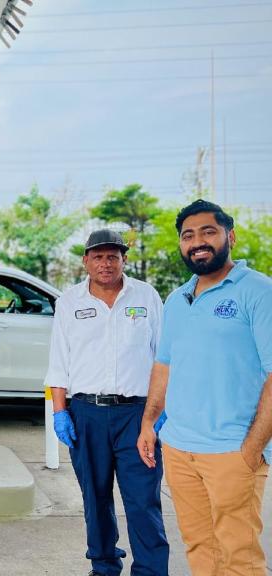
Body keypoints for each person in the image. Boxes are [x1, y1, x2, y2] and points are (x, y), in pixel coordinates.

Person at [137, 199, 272, 576]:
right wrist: (150, 424)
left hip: (232, 452)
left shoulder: (259, 292)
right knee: (200, 549)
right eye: (188, 235)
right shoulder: (178, 299)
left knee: (239, 557)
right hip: (180, 450)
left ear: (230, 236)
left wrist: (252, 449)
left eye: (208, 232)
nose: (198, 241)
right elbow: (164, 366)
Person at [45, 229, 169, 576]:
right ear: (86, 261)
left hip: (137, 416)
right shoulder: (69, 302)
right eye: (98, 256)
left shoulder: (146, 296)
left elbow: (163, 358)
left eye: (113, 256)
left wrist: (157, 413)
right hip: (86, 414)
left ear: (123, 260)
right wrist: (60, 413)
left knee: (143, 500)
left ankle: (151, 569)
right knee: (95, 500)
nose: (105, 263)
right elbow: (59, 363)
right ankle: (103, 565)